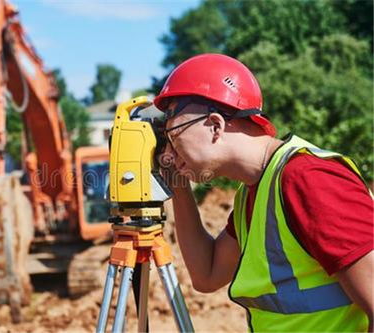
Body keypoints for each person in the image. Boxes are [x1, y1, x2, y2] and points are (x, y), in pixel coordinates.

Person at [154, 53, 373, 332]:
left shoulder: (307, 179)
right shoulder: (254, 193)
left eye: (173, 136)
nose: (169, 153)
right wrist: (178, 183)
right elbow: (206, 274)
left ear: (215, 125)